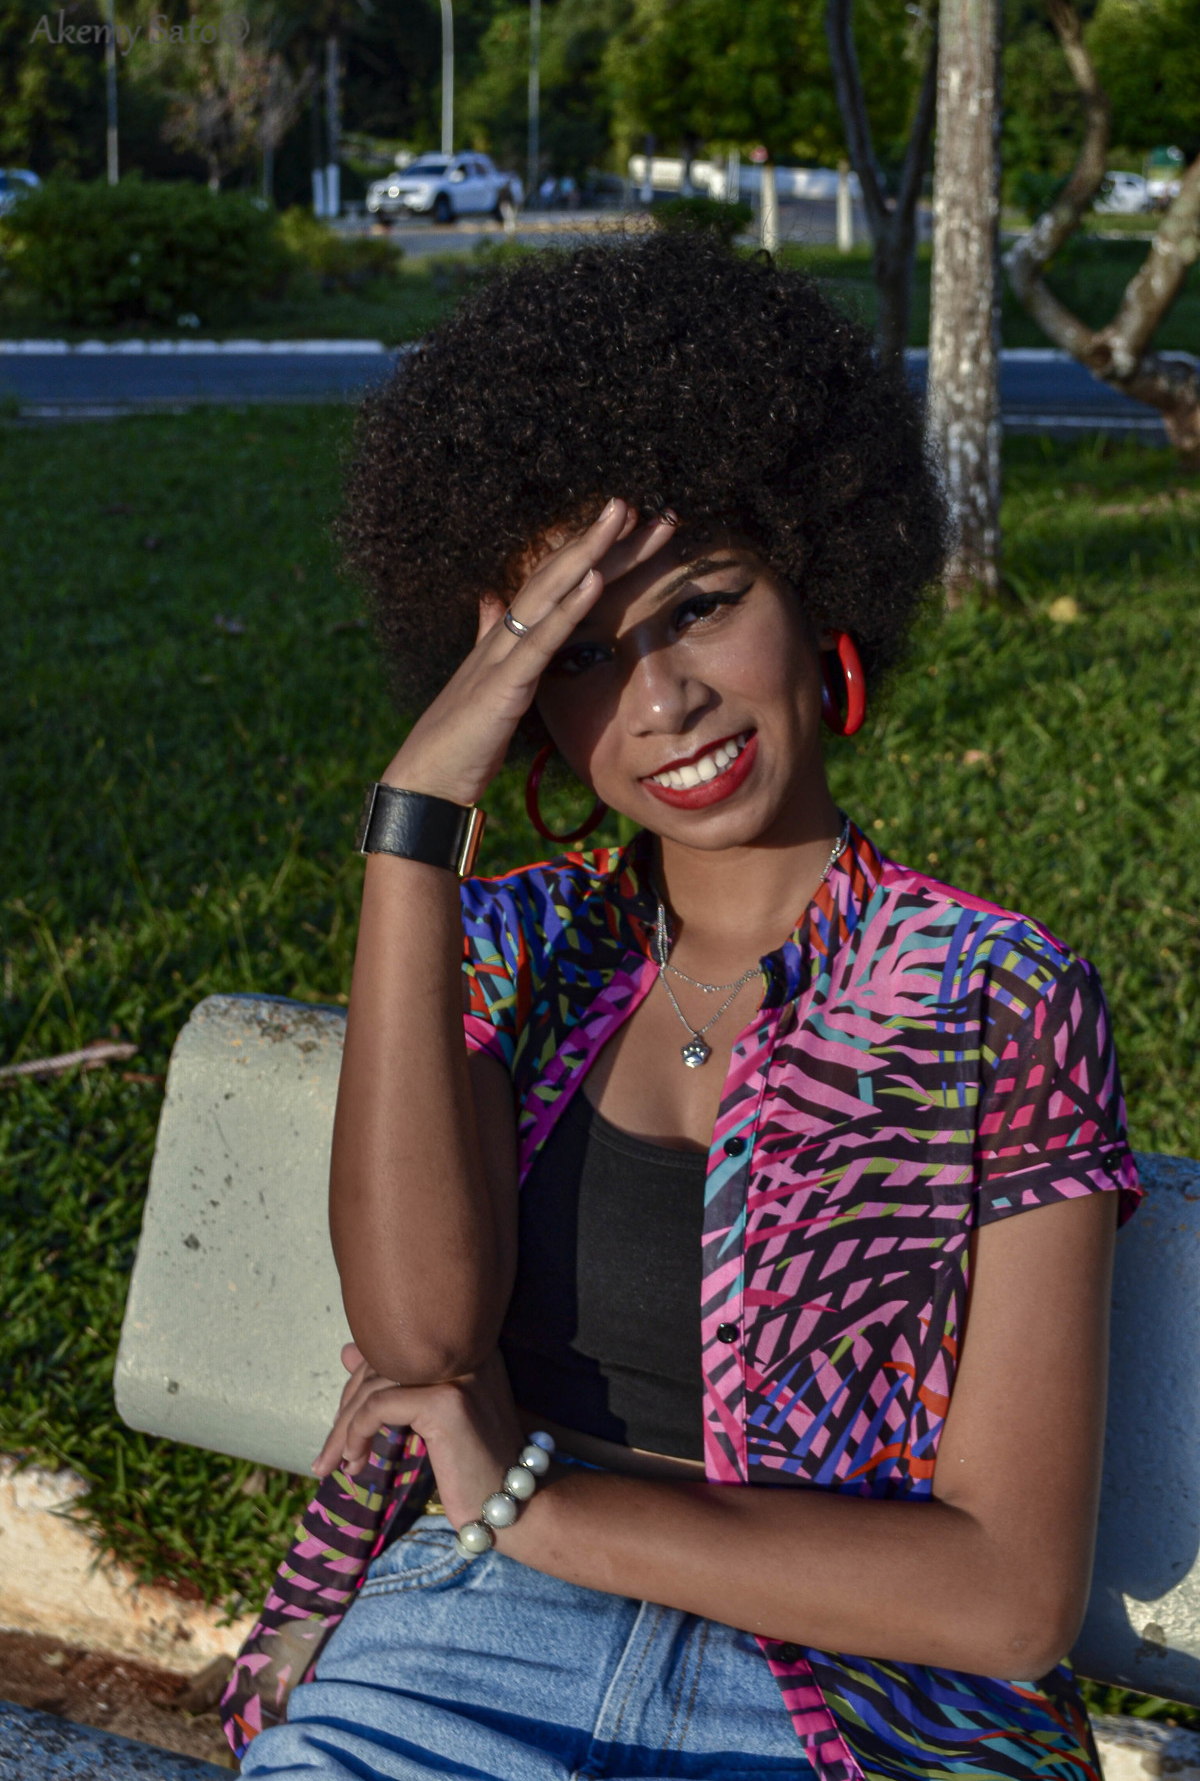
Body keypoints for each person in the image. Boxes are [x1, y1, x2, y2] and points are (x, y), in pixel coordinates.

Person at [236, 232, 1141, 1781]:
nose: (662, 701)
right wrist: (414, 822)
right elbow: (420, 1336)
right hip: (468, 1644)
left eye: (702, 606)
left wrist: (536, 1504)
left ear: (815, 585)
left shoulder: (994, 995)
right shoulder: (509, 950)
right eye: (582, 655)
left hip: (859, 1700)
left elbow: (1006, 1600)